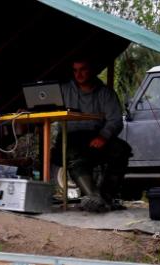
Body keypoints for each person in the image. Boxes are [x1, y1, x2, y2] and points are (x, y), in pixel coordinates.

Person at [56, 59, 132, 212]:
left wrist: (104, 136)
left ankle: (107, 197)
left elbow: (115, 120)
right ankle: (93, 197)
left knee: (122, 149)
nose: (79, 74)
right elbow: (43, 106)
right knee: (72, 153)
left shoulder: (105, 93)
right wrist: (26, 110)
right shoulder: (63, 90)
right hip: (69, 137)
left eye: (83, 69)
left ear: (92, 70)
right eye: (75, 70)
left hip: (95, 136)